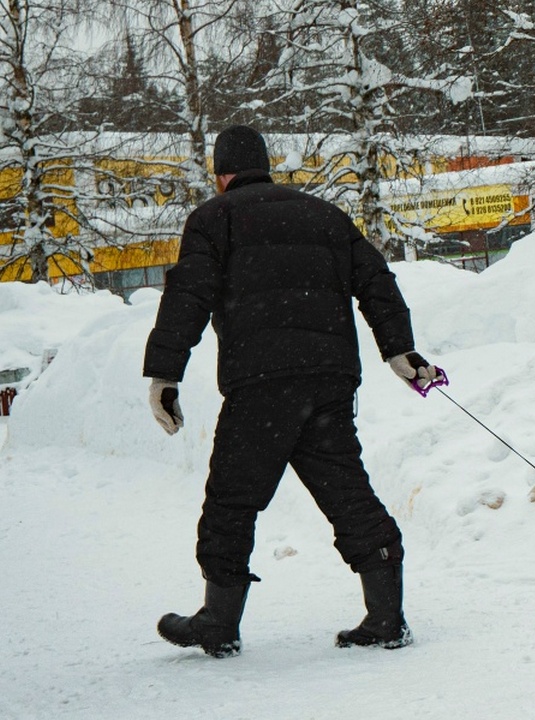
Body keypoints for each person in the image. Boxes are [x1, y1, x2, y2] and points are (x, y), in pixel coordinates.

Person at [143, 125, 444, 658]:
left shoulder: (214, 218)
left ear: (221, 174)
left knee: (232, 499)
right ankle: (385, 616)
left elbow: (188, 294)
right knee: (346, 490)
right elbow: (377, 281)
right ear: (264, 165)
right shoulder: (324, 216)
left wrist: (165, 375)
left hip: (262, 383)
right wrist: (400, 352)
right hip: (328, 380)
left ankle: (218, 620)